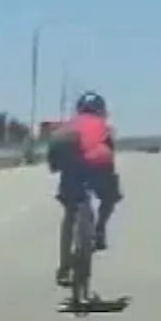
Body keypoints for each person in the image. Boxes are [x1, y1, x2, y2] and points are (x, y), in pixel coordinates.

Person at [46, 91, 123, 287]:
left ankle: (64, 267)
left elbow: (55, 153)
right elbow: (109, 155)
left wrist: (56, 167)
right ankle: (99, 229)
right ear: (101, 110)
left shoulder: (70, 124)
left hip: (71, 166)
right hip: (99, 163)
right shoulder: (103, 125)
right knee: (110, 196)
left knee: (70, 213)